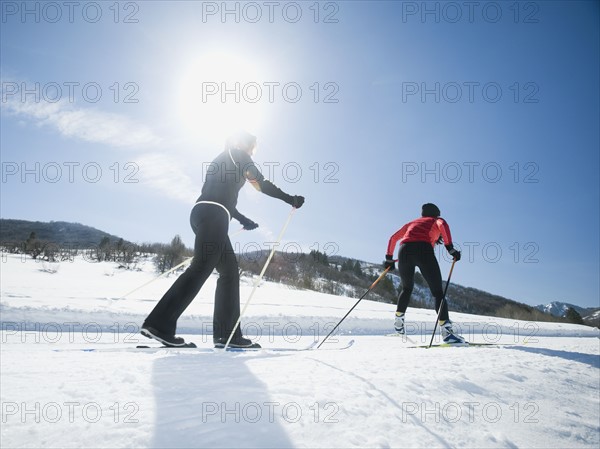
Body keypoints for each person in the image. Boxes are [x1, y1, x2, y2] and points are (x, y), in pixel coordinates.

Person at [141, 130, 305, 348]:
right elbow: (259, 182)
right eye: (253, 148)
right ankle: (159, 324)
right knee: (201, 267)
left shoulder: (222, 159)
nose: (252, 152)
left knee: (229, 272)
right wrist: (289, 199)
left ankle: (227, 336)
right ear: (246, 145)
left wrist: (243, 219)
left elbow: (221, 196)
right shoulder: (240, 155)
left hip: (204, 213)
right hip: (214, 216)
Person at [384, 203, 465, 344]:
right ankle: (447, 333)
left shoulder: (412, 223)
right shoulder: (436, 220)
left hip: (404, 251)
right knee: (437, 293)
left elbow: (393, 238)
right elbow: (443, 226)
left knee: (407, 288)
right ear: (436, 213)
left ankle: (398, 325)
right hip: (424, 251)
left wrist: (389, 259)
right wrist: (450, 249)